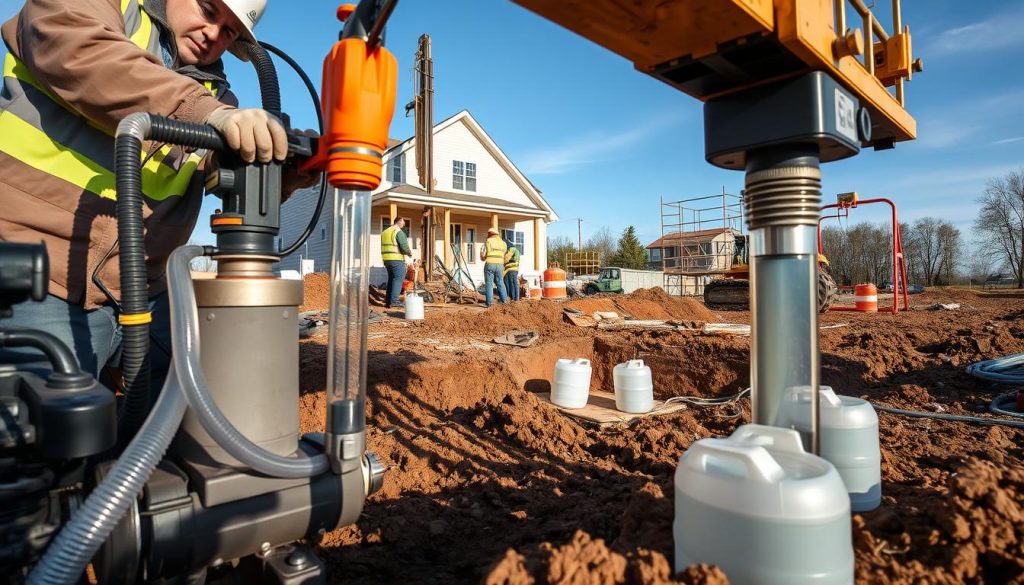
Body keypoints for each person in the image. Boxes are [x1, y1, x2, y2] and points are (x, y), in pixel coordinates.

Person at [0, 0, 315, 387]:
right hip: (43, 277)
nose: (213, 34)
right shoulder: (107, 7)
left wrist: (284, 168)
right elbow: (78, 50)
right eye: (209, 10)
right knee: (53, 428)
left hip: (144, 293)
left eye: (230, 31)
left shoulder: (215, 99)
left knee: (198, 405)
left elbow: (213, 173)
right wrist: (204, 112)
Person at [380, 217, 412, 308]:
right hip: (396, 259)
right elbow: (403, 245)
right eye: (403, 223)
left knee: (391, 279)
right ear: (399, 222)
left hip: (386, 259)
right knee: (398, 279)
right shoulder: (398, 231)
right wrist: (409, 253)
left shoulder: (385, 232)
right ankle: (394, 301)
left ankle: (388, 302)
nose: (403, 225)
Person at [480, 227, 508, 307]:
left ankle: (489, 303)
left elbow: (483, 256)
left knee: (489, 283)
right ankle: (504, 301)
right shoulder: (503, 243)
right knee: (500, 282)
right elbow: (504, 254)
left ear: (490, 234)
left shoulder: (488, 242)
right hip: (500, 265)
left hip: (490, 264)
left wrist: (482, 256)